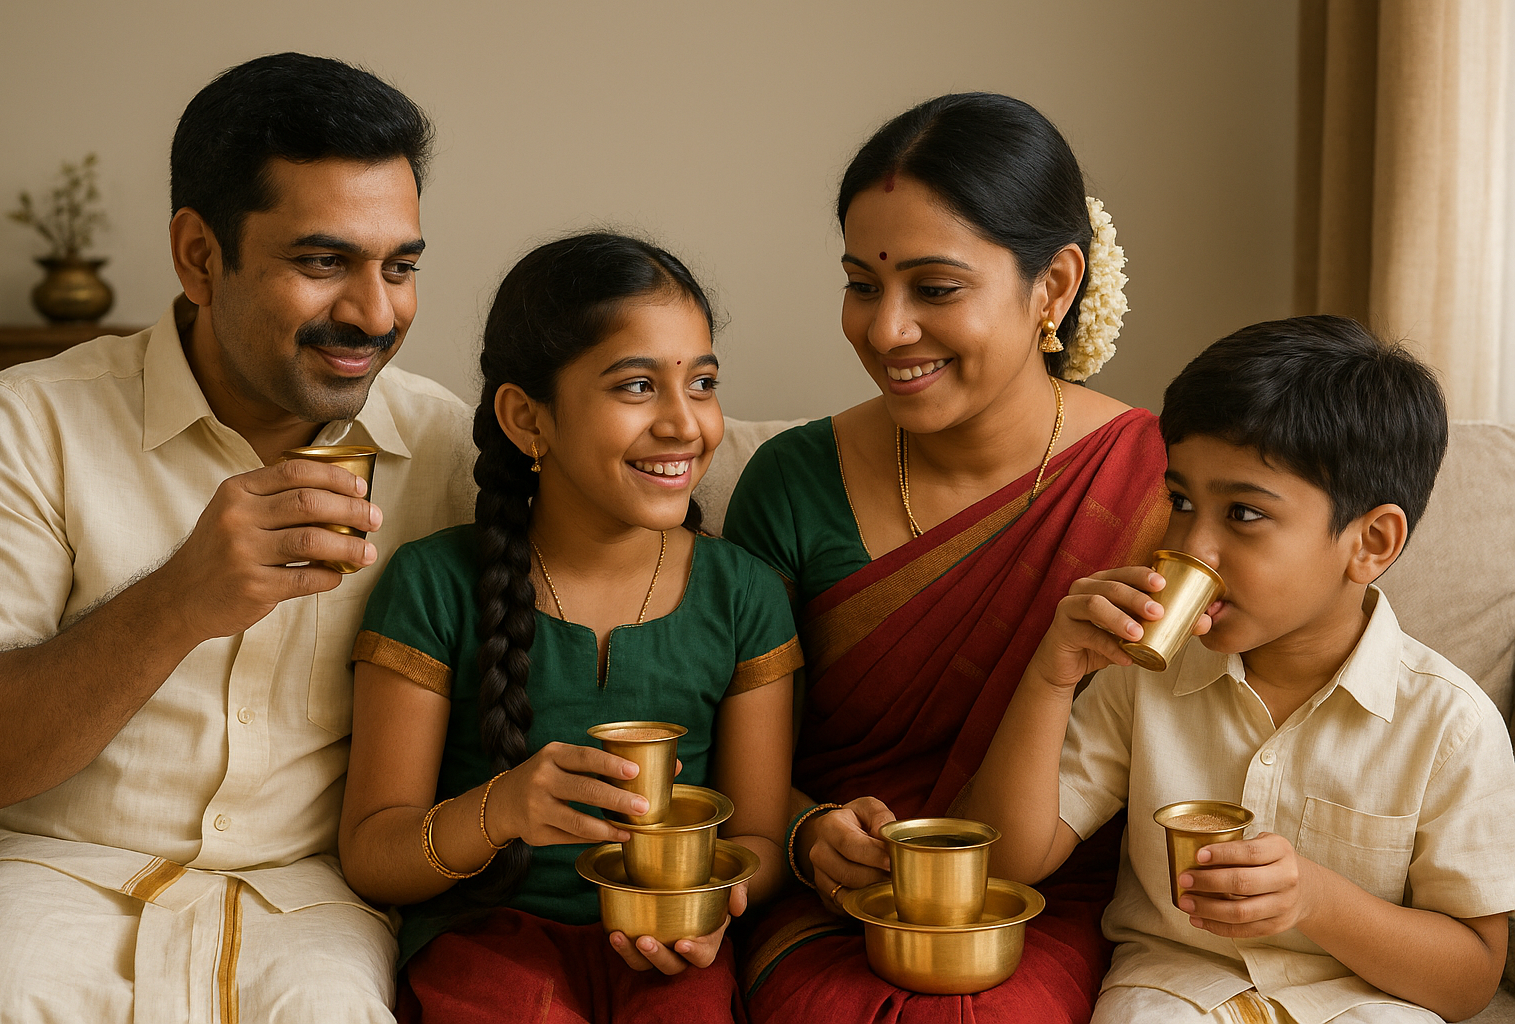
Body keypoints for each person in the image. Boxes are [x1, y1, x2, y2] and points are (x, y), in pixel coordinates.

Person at [0, 53, 475, 1021]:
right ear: (199, 255)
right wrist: (178, 600)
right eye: (323, 261)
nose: (375, 314)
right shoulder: (25, 423)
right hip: (50, 878)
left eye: (401, 266)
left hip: (318, 900)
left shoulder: (451, 451)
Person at [722, 92, 1169, 1021]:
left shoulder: (1155, 481)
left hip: (1042, 902)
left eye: (934, 288)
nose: (885, 331)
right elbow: (724, 744)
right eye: (861, 283)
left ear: (1053, 287)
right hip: (837, 902)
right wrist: (807, 834)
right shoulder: (791, 481)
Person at [974, 315, 1515, 1022]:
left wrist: (1317, 900)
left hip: (1364, 1003)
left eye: (1244, 514)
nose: (1193, 547)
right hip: (1173, 993)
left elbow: (1472, 977)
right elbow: (1008, 862)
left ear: (1370, 543)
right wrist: (1053, 672)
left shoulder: (1449, 724)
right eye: (1182, 502)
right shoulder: (1143, 681)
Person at [338, 232, 801, 1024]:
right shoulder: (434, 584)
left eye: (702, 382)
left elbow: (757, 842)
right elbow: (374, 856)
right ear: (527, 417)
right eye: (635, 387)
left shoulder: (743, 595)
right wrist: (504, 810)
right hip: (486, 944)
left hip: (672, 954)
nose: (684, 424)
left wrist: (708, 906)